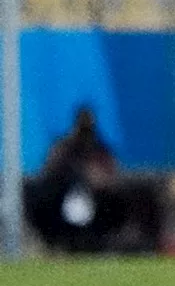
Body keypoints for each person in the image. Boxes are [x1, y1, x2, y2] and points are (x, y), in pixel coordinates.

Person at [24, 106, 166, 255]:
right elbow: (50, 173)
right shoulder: (64, 149)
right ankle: (61, 243)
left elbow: (110, 176)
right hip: (62, 199)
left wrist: (99, 181)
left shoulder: (99, 150)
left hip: (98, 201)